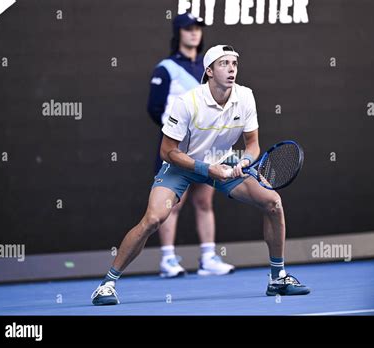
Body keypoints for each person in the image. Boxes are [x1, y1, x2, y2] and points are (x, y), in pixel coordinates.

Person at [91, 44, 311, 305]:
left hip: (223, 161)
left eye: (234, 63)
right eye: (223, 64)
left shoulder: (246, 97)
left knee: (272, 202)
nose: (231, 69)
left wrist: (244, 161)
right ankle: (107, 284)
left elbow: (252, 145)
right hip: (181, 166)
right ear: (209, 71)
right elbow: (167, 151)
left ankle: (278, 278)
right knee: (153, 219)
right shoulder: (186, 102)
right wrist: (206, 169)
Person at [147, 13, 234, 278]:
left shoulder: (208, 69)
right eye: (188, 29)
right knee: (173, 203)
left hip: (206, 149)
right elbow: (155, 108)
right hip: (177, 149)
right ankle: (168, 260)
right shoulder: (166, 68)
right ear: (178, 33)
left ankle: (208, 258)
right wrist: (177, 134)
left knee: (205, 202)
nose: (194, 33)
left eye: (198, 28)